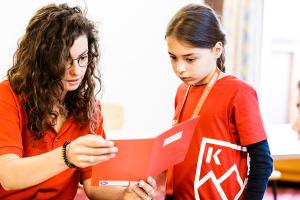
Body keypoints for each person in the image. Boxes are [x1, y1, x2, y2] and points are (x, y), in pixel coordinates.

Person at [0, 3, 156, 200]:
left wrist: (124, 195)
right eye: (65, 59)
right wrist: (68, 155)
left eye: (83, 58)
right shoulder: (7, 95)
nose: (76, 71)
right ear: (43, 60)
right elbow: (8, 175)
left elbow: (92, 184)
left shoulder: (88, 109)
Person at [163, 3, 273, 200]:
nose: (179, 68)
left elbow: (262, 161)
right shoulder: (182, 91)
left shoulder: (239, 93)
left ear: (216, 50)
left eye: (190, 59)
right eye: (173, 57)